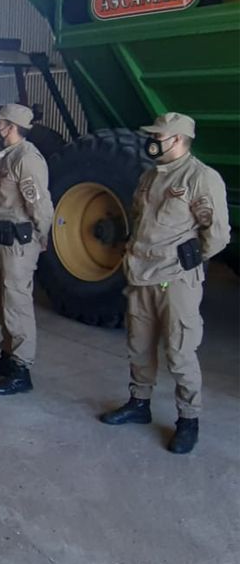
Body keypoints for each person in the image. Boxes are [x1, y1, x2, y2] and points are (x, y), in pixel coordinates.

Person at [99, 113, 229, 454]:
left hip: (176, 281)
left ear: (179, 139)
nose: (152, 140)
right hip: (141, 275)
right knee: (139, 345)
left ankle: (188, 419)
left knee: (179, 351)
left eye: (159, 135)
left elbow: (216, 235)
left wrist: (188, 260)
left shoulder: (201, 178)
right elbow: (141, 221)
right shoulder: (149, 176)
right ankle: (139, 403)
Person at [0, 103, 53, 396]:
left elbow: (40, 205)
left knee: (16, 306)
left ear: (11, 126)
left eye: (0, 123)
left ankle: (21, 369)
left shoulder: (27, 159)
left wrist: (42, 236)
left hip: (19, 244)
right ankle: (7, 357)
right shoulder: (7, 157)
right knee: (1, 303)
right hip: (0, 239)